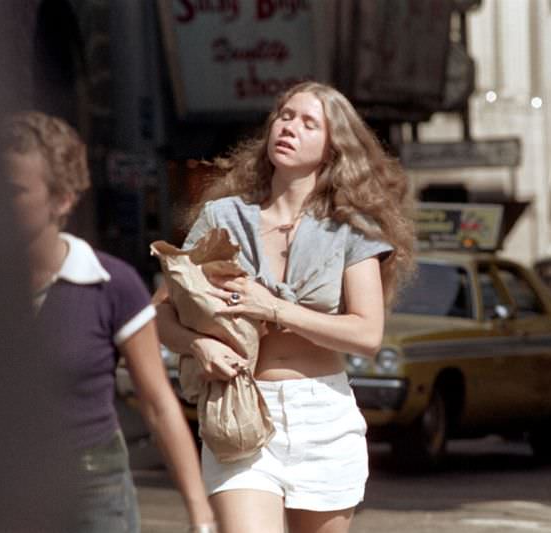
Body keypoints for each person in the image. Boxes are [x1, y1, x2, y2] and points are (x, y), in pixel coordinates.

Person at [154, 81, 415, 533]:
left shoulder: (352, 229)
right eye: (285, 116)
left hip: (322, 416)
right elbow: (160, 313)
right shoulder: (223, 218)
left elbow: (367, 336)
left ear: (333, 149)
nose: (289, 127)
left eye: (308, 122)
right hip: (243, 410)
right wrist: (199, 347)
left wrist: (273, 308)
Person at [3, 111, 216, 533]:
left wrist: (200, 514)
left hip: (93, 486)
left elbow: (157, 404)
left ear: (62, 199)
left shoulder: (111, 284)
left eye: (13, 192)